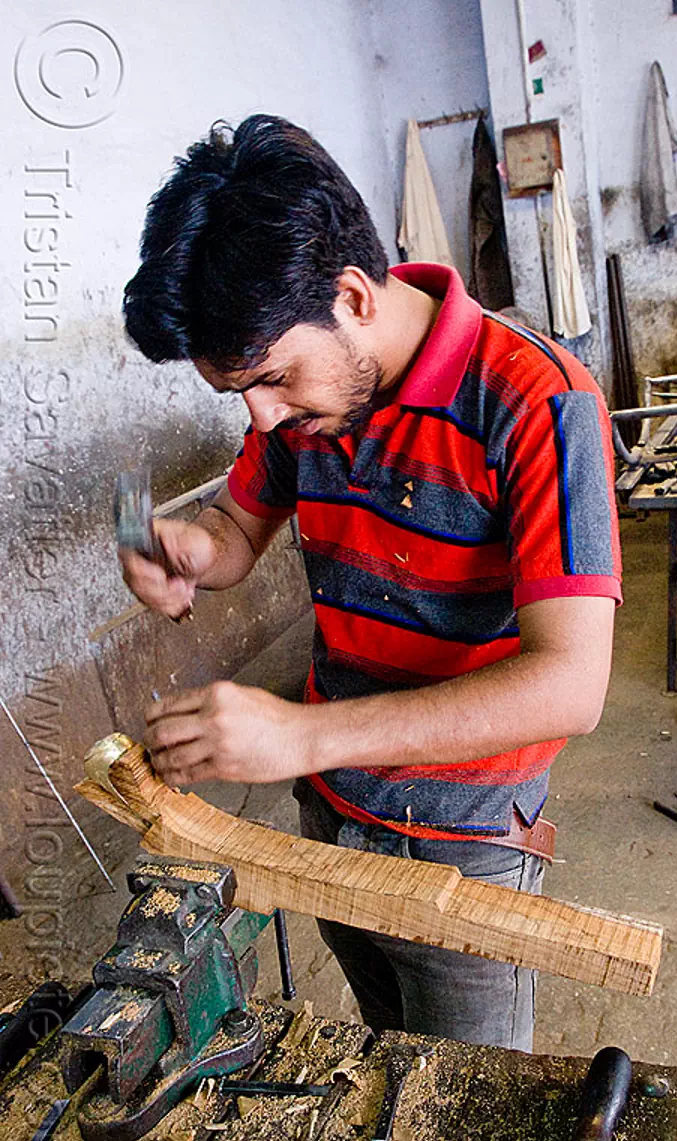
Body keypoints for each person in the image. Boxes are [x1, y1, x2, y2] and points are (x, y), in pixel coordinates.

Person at [120, 115, 621, 1052]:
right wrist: (193, 550)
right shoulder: (303, 411)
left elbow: (570, 685)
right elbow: (236, 531)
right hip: (331, 807)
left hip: (462, 845)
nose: (263, 414)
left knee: (466, 1108)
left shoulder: (537, 400)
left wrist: (300, 732)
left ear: (352, 296)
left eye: (270, 379)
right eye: (240, 397)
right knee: (382, 1055)